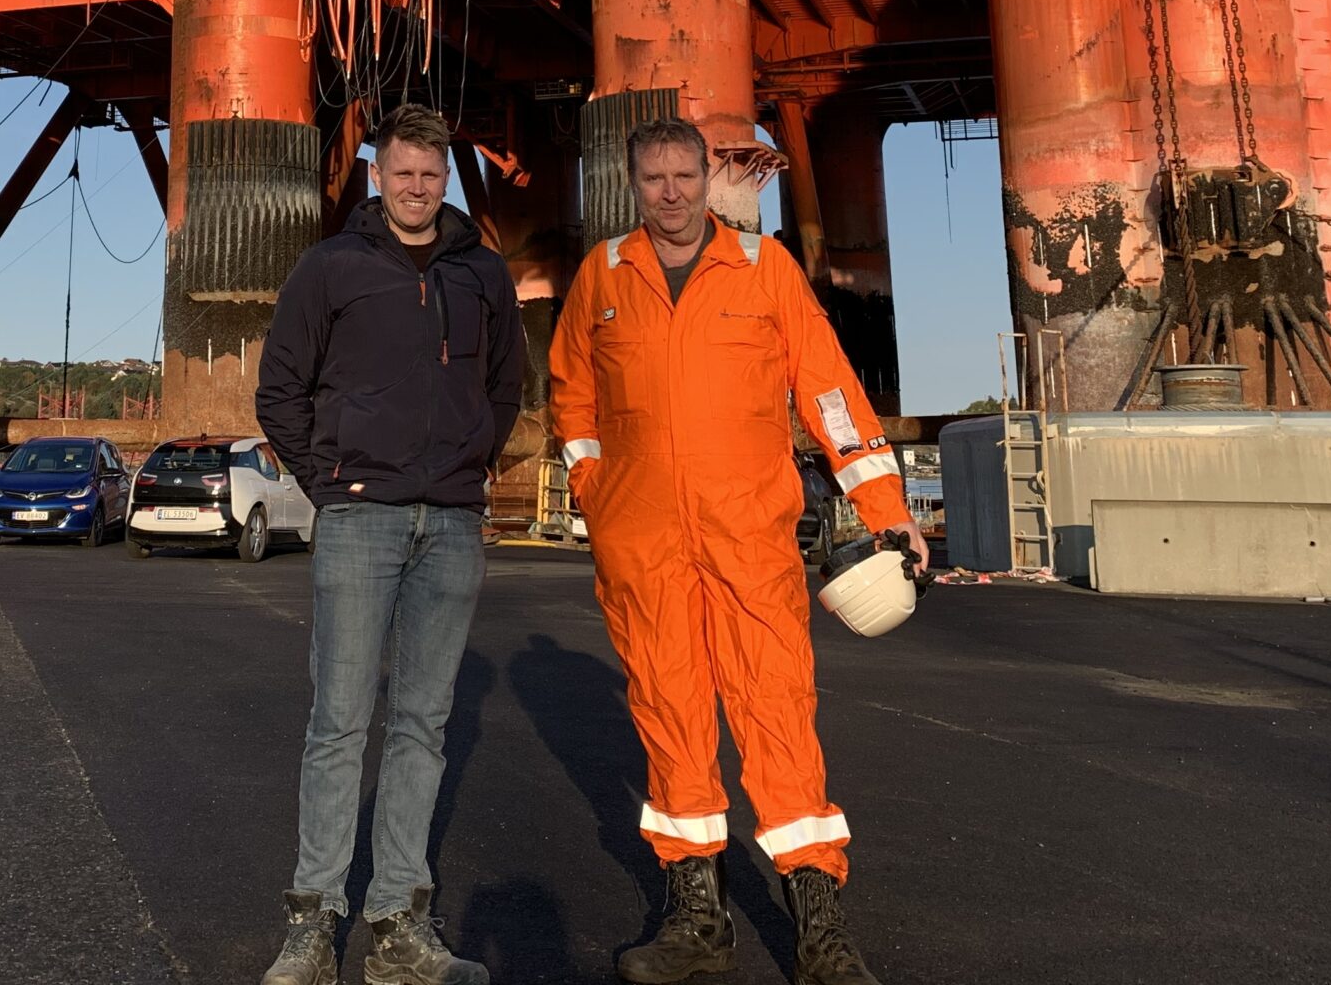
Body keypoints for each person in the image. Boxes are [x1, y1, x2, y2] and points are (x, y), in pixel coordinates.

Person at [548, 116, 926, 985]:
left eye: (685, 175)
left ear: (706, 177)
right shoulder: (602, 276)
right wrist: (594, 489)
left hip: (747, 538)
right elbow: (570, 390)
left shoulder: (762, 269)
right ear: (632, 183)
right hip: (643, 544)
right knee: (670, 720)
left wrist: (884, 503)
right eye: (654, 180)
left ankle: (820, 930)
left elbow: (828, 389)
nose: (672, 194)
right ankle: (696, 923)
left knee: (778, 714)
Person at [253, 102, 526, 985]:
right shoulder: (330, 267)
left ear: (445, 178)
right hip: (360, 517)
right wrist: (330, 480)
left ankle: (398, 925)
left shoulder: (481, 272)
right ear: (378, 176)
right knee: (338, 723)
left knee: (423, 725)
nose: (415, 188)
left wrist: (469, 464)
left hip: (450, 520)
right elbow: (281, 387)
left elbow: (505, 386)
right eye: (401, 172)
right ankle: (312, 922)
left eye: (429, 174)